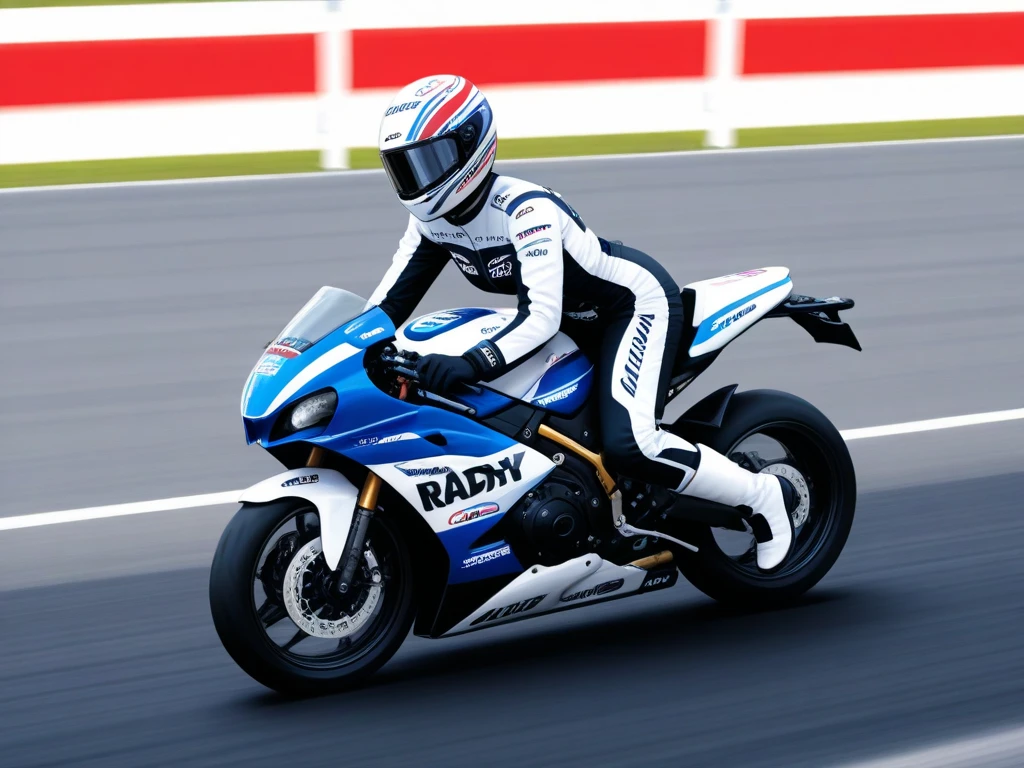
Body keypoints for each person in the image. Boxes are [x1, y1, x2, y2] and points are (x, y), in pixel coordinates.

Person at [367, 75, 796, 570]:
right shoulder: (430, 222)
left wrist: (469, 363)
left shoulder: (525, 210)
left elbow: (542, 315)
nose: (418, 178)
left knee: (631, 445)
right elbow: (386, 304)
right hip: (573, 319)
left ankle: (764, 496)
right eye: (405, 166)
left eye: (428, 160)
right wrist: (327, 345)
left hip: (631, 307)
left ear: (470, 146)